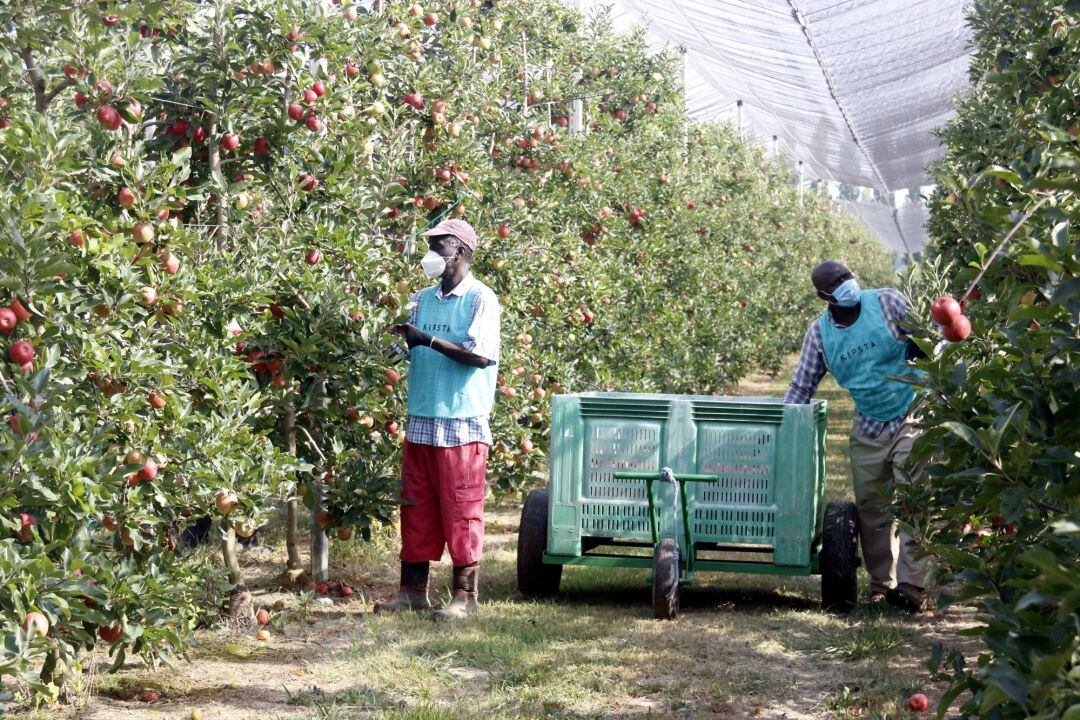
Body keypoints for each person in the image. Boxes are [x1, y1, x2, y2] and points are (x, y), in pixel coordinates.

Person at [784, 260, 928, 612]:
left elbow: (928, 340)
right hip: (868, 423)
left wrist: (921, 347)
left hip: (912, 409)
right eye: (837, 283)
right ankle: (883, 586)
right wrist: (780, 422)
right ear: (824, 296)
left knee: (914, 497)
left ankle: (914, 587)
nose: (847, 284)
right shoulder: (820, 334)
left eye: (847, 276)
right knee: (872, 510)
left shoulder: (887, 302)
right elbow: (802, 385)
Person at [375, 219, 500, 622]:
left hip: (461, 421)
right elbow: (397, 349)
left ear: (460, 251)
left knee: (461, 508)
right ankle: (412, 591)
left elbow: (478, 356)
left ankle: (466, 596)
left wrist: (427, 340)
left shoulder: (481, 299)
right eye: (428, 246)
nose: (431, 255)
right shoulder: (420, 299)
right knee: (417, 506)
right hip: (422, 418)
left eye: (438, 246)